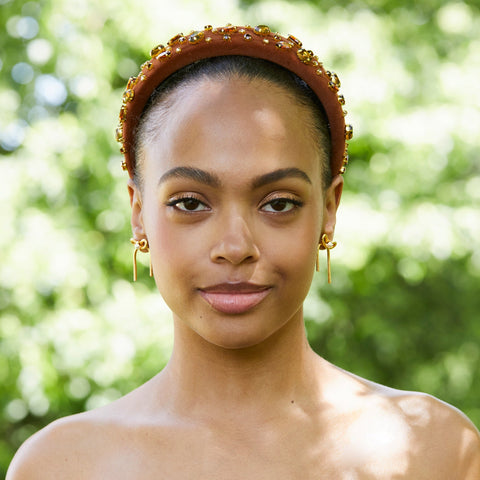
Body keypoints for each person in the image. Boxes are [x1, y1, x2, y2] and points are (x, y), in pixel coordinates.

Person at [7, 24, 480, 479]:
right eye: (190, 203)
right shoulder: (60, 467)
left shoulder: (433, 449)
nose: (235, 247)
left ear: (328, 210)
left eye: (278, 204)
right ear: (138, 213)